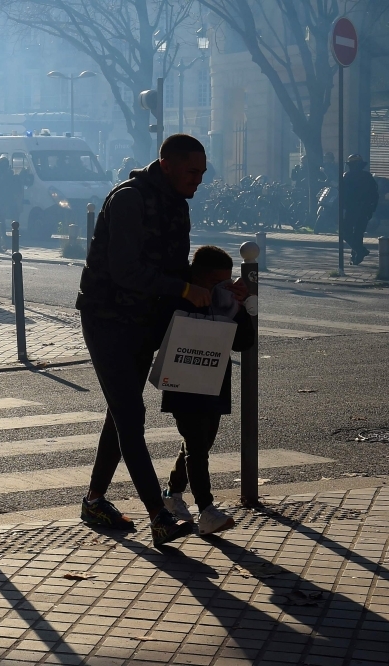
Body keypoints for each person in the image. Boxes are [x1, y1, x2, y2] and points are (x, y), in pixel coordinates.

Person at [76, 133, 245, 548]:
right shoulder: (129, 199)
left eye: (203, 173)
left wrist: (219, 287)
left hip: (146, 319)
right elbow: (125, 270)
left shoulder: (176, 204)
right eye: (192, 171)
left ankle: (94, 499)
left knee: (121, 414)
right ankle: (159, 515)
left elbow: (177, 270)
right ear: (166, 164)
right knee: (131, 416)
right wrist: (186, 291)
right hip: (108, 319)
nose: (199, 180)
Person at [160, 245, 256, 535]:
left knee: (201, 442)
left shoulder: (226, 302)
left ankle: (172, 495)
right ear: (198, 276)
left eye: (227, 282)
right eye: (216, 283)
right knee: (197, 446)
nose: (222, 288)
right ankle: (206, 510)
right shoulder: (181, 297)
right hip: (183, 380)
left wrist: (240, 306)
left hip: (215, 379)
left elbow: (243, 342)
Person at [340, 154, 379, 264]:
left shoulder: (347, 176)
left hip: (352, 209)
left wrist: (341, 208)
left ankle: (359, 251)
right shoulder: (368, 177)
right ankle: (356, 257)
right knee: (358, 233)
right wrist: (372, 209)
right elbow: (375, 195)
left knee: (345, 232)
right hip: (365, 209)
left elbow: (342, 195)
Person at [0, 155, 26, 227]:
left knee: (14, 215)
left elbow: (16, 186)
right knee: (1, 217)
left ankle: (15, 231)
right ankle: (3, 233)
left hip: (9, 198)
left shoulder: (10, 174)